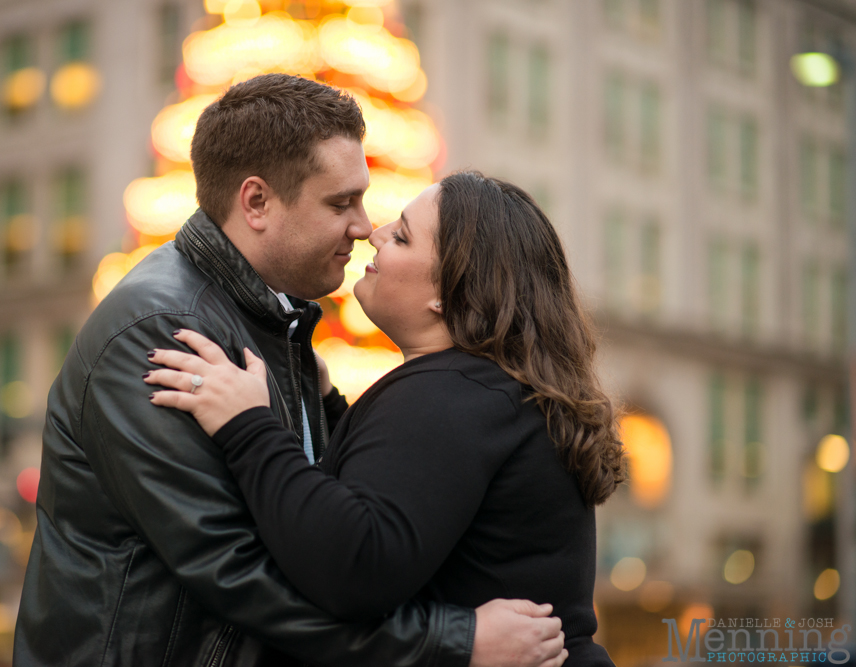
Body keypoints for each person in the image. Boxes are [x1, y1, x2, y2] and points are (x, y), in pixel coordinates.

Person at [14, 74, 569, 667]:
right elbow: (233, 570)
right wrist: (454, 640)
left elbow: (325, 516)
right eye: (340, 202)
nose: (364, 226)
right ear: (257, 202)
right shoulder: (165, 329)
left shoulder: (276, 325)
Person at [144, 172, 627, 667]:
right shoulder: (490, 392)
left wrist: (248, 426)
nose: (373, 234)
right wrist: (330, 406)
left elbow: (353, 565)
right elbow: (412, 497)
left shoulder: (450, 395)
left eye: (400, 236)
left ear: (448, 293)